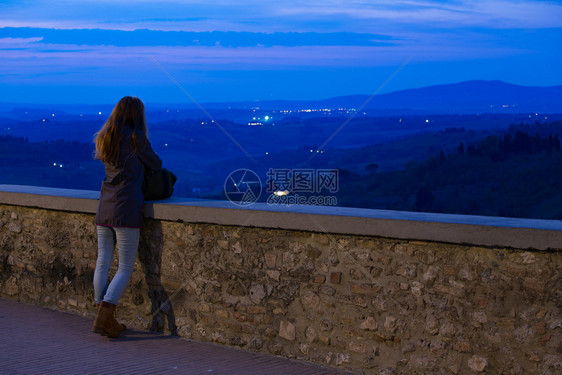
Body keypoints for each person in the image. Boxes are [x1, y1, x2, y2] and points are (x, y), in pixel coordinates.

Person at [92, 96, 162, 338]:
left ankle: (102, 314)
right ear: (137, 115)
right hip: (127, 209)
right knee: (124, 267)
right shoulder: (136, 138)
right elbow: (156, 163)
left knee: (103, 262)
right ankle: (105, 315)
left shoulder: (105, 138)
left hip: (105, 207)